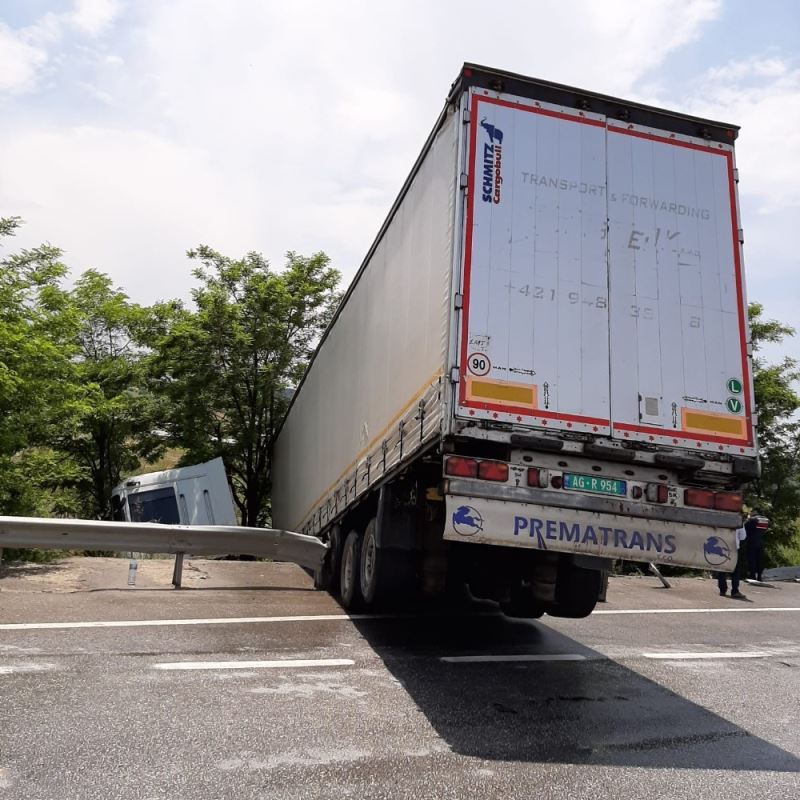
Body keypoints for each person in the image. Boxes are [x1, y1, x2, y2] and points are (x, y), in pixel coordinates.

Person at [716, 525, 746, 599]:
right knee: (735, 570)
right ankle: (735, 591)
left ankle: (722, 590)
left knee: (721, 568)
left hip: (722, 545)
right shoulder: (739, 522)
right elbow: (743, 537)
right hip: (734, 548)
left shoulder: (720, 519)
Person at [745, 509, 769, 582]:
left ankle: (752, 576)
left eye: (751, 511)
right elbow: (765, 530)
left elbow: (744, 526)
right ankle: (759, 576)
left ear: (755, 512)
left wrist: (748, 518)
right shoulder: (766, 520)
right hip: (761, 542)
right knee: (759, 560)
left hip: (751, 542)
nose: (751, 513)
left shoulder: (752, 519)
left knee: (752, 559)